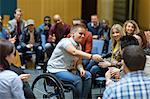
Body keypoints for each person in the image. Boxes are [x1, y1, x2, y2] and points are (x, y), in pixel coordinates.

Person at [47, 24, 103, 99]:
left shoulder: (79, 45)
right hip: (56, 70)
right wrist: (92, 56)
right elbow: (74, 52)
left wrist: (81, 69)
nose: (83, 36)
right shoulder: (65, 41)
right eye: (80, 33)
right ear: (72, 34)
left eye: (84, 34)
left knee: (88, 75)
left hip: (68, 70)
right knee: (77, 80)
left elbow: (78, 61)